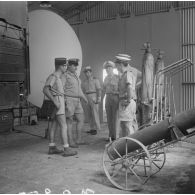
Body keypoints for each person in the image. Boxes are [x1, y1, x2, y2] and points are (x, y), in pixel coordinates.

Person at [43, 57, 77, 157]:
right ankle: (66, 148)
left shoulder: (58, 76)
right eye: (65, 65)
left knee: (54, 125)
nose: (66, 67)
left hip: (59, 101)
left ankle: (52, 147)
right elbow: (45, 89)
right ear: (60, 66)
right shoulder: (54, 76)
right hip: (57, 102)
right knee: (64, 125)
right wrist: (55, 101)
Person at [61, 58, 88, 148]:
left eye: (76, 66)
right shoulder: (65, 75)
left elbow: (79, 89)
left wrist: (84, 98)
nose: (76, 68)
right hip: (69, 100)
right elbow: (61, 89)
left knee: (81, 119)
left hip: (77, 100)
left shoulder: (75, 75)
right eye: (74, 66)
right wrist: (64, 101)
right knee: (70, 121)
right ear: (69, 65)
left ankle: (79, 139)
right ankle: (70, 141)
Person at [115, 54, 141, 137]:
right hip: (125, 101)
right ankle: (126, 145)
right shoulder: (123, 75)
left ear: (120, 64)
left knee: (128, 125)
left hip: (127, 101)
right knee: (124, 125)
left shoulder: (127, 74)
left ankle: (132, 146)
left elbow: (129, 88)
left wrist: (128, 101)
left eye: (117, 65)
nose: (116, 67)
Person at [102, 61, 119, 141]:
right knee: (109, 118)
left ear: (113, 68)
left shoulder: (118, 77)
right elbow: (103, 89)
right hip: (108, 97)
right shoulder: (105, 78)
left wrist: (117, 93)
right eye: (106, 68)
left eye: (109, 68)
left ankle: (116, 136)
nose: (108, 69)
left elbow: (122, 90)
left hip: (115, 98)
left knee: (115, 118)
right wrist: (101, 99)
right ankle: (110, 136)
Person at [82, 66, 101, 135]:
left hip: (94, 96)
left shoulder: (95, 80)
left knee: (95, 114)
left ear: (91, 72)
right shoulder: (84, 81)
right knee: (89, 114)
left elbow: (98, 89)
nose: (87, 74)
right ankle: (92, 128)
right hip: (87, 96)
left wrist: (99, 98)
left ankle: (96, 129)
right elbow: (83, 91)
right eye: (86, 72)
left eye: (88, 72)